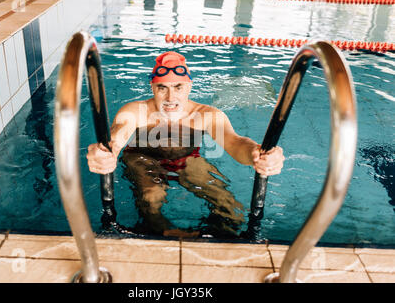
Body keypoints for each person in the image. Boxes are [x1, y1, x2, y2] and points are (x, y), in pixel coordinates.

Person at [87, 51, 285, 237]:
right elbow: (118, 135)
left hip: (187, 159)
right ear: (152, 88)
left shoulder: (207, 115)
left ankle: (215, 237)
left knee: (229, 207)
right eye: (162, 88)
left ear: (189, 87)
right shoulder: (134, 111)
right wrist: (106, 152)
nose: (170, 97)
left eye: (178, 87)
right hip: (143, 159)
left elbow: (234, 142)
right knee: (151, 197)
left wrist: (257, 154)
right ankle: (163, 234)